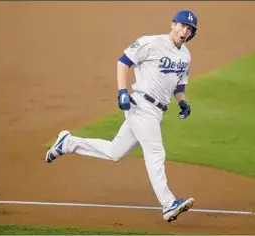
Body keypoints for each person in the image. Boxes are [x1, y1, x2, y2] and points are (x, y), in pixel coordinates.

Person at [45, 9, 198, 222]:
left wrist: (182, 102)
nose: (184, 31)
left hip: (157, 111)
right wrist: (122, 91)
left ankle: (68, 143)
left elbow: (179, 84)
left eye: (189, 29)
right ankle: (168, 203)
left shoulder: (185, 55)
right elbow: (123, 61)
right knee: (155, 151)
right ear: (172, 24)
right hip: (141, 105)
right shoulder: (151, 43)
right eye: (182, 25)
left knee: (115, 152)